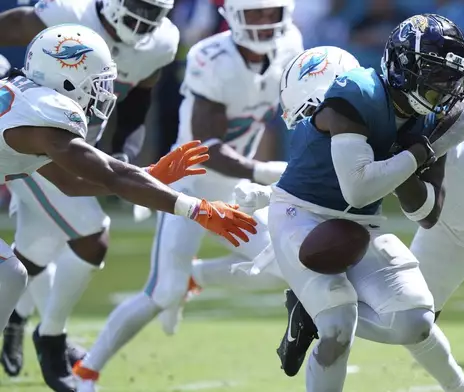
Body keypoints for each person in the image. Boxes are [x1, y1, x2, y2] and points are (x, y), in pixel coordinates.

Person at [0, 23, 257, 392]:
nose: (104, 93)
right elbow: (110, 175)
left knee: (10, 274)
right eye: (97, 82)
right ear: (66, 77)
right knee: (9, 274)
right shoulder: (44, 113)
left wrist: (149, 174)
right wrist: (196, 209)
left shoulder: (27, 105)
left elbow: (72, 182)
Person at [72, 0, 302, 390]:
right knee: (162, 293)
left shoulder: (291, 45)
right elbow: (207, 144)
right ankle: (86, 372)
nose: (265, 22)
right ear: (231, 16)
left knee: (283, 266)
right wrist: (263, 170)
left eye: (272, 12)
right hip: (190, 186)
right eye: (256, 13)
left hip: (238, 189)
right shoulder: (210, 56)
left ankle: (197, 276)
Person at [270, 14, 464, 392]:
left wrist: (427, 147)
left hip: (362, 225)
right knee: (337, 326)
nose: (443, 87)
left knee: (416, 321)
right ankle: (319, 312)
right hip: (301, 213)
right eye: (434, 74)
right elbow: (359, 189)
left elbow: (427, 213)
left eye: (449, 77)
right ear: (403, 68)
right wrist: (419, 152)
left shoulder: (430, 120)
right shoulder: (357, 92)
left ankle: (462, 388)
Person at [0, 0, 181, 384]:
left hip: (69, 152)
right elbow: (9, 25)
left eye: (154, 9)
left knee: (35, 248)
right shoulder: (70, 16)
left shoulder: (161, 42)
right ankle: (51, 338)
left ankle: (18, 318)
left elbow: (137, 104)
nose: (144, 17)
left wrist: (125, 159)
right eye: (137, 5)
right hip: (39, 148)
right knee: (90, 235)